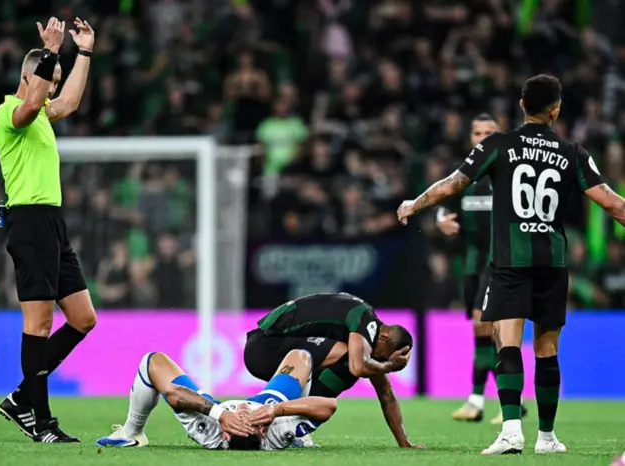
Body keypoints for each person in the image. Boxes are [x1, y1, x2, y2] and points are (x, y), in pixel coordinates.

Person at [397, 74, 625, 455]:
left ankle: (511, 431)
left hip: (509, 262)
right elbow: (613, 204)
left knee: (507, 341)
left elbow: (452, 184)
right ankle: (547, 438)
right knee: (547, 348)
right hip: (552, 263)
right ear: (556, 110)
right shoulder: (574, 152)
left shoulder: (498, 145)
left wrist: (413, 204)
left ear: (521, 106)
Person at [0, 17, 96, 443]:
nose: (52, 89)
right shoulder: (9, 114)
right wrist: (51, 52)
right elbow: (32, 104)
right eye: (48, 80)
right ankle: (41, 421)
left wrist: (84, 52)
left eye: (54, 81)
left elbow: (67, 102)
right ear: (28, 76)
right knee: (38, 324)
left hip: (52, 221)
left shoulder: (43, 116)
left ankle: (21, 397)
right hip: (29, 220)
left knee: (83, 318)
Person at [437, 113, 527, 424]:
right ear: (471, 138)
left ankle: (488, 400)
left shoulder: (511, 174)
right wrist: (441, 221)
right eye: (478, 133)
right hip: (472, 267)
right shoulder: (465, 177)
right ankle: (493, 401)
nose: (483, 137)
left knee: (489, 326)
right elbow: (443, 206)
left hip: (501, 263)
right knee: (484, 331)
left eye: (490, 132)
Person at [244, 292, 422, 448]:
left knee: (354, 361)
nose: (380, 362)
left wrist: (404, 442)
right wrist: (389, 366)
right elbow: (358, 367)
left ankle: (286, 425)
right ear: (384, 337)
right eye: (383, 357)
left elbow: (386, 393)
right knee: (350, 361)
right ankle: (292, 424)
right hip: (265, 347)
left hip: (273, 348)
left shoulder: (363, 330)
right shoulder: (364, 319)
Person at [96, 350, 337, 450]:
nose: (244, 411)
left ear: (226, 435)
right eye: (251, 420)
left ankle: (132, 433)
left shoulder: (209, 429)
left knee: (151, 360)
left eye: (241, 420)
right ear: (264, 431)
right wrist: (277, 410)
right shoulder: (277, 429)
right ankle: (301, 436)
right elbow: (329, 405)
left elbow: (174, 393)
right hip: (269, 402)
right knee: (301, 356)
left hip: (214, 411)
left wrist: (219, 414)